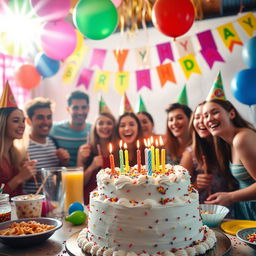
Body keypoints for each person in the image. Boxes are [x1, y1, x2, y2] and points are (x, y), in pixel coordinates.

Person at [203, 99, 256, 220]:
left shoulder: (242, 139)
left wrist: (230, 197)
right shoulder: (227, 143)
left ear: (231, 114)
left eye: (215, 112)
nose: (209, 119)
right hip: (246, 209)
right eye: (205, 116)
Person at [180, 102, 237, 203]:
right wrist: (196, 185)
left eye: (205, 116)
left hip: (236, 208)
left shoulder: (230, 145)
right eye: (197, 117)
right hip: (205, 211)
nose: (203, 121)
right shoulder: (190, 154)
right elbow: (178, 192)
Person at [23, 97, 70, 194]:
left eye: (49, 117)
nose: (46, 122)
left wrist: (64, 163)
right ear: (28, 121)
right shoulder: (22, 147)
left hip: (53, 204)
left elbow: (59, 180)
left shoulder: (54, 143)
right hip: (31, 205)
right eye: (40, 117)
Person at [0, 83, 36, 197]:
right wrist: (20, 178)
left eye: (23, 121)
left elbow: (18, 194)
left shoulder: (16, 154)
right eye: (16, 121)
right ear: (3, 123)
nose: (22, 125)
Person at [76, 112, 116, 204]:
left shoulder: (119, 151)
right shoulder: (85, 150)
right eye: (100, 123)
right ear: (95, 127)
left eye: (109, 123)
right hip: (90, 200)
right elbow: (79, 184)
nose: (105, 126)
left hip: (113, 201)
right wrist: (92, 167)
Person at [50, 91, 92, 166]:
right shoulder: (55, 129)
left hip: (87, 175)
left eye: (84, 107)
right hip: (63, 174)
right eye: (75, 108)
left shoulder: (93, 130)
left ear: (88, 108)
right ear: (68, 109)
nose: (80, 112)